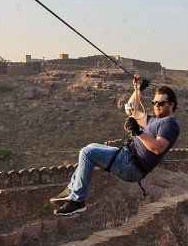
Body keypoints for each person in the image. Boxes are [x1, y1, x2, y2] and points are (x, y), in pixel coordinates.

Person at [52, 76, 180, 216]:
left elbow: (158, 148)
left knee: (87, 152)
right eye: (154, 102)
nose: (156, 105)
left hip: (132, 166)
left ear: (172, 104)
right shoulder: (153, 120)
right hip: (127, 156)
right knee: (91, 146)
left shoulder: (169, 124)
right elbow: (130, 109)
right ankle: (72, 189)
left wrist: (138, 132)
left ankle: (77, 200)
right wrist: (138, 89)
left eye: (161, 103)